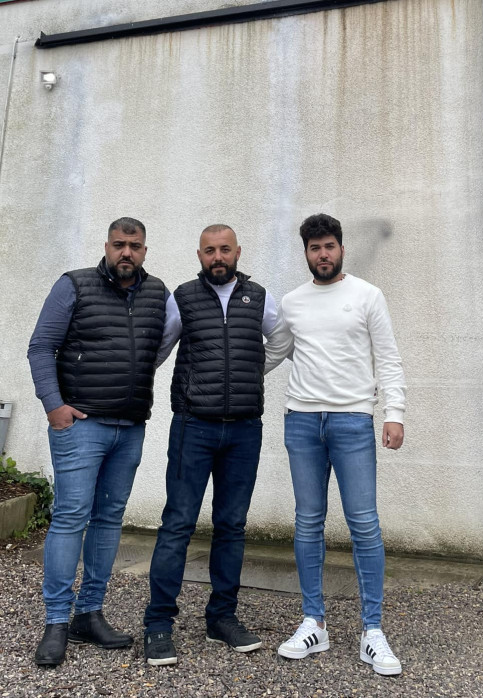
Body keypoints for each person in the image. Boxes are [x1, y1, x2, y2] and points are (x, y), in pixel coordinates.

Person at [265, 213, 406, 676]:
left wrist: (394, 413)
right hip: (301, 422)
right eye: (313, 248)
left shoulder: (367, 295)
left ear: (340, 249)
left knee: (364, 524)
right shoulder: (292, 302)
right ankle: (314, 623)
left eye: (328, 246)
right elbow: (274, 353)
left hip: (352, 421)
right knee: (308, 523)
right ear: (305, 253)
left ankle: (372, 631)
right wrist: (227, 370)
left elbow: (387, 358)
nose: (322, 254)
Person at [27, 217, 168, 668]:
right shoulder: (74, 285)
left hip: (129, 427)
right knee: (71, 516)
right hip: (80, 425)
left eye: (136, 246)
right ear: (106, 246)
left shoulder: (157, 293)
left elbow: (157, 347)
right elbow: (40, 347)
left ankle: (89, 613)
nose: (127, 252)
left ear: (146, 250)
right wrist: (54, 405)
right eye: (119, 244)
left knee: (109, 519)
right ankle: (55, 622)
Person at [142, 224, 278, 667]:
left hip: (243, 430)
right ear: (198, 255)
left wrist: (253, 372)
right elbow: (159, 349)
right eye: (209, 251)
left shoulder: (258, 298)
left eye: (224, 250)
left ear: (238, 251)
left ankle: (222, 618)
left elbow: (282, 340)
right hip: (192, 427)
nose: (217, 257)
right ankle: (158, 623)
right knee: (177, 523)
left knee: (232, 526)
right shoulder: (182, 296)